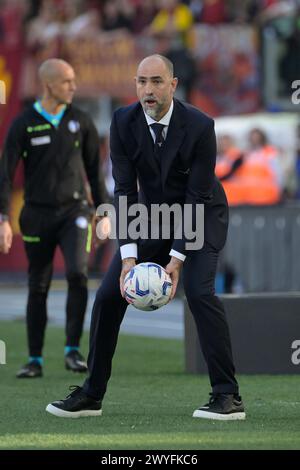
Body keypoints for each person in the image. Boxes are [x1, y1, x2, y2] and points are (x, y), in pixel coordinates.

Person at [46, 54, 246, 420]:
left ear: (173, 85)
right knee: (108, 295)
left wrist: (176, 259)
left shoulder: (201, 126)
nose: (148, 90)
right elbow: (124, 191)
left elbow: (197, 197)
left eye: (156, 81)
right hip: (150, 216)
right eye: (141, 81)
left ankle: (227, 396)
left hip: (200, 213)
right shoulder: (123, 121)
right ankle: (92, 394)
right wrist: (127, 257)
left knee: (200, 294)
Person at [0, 58, 108, 378]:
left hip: (75, 212)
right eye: (67, 81)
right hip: (36, 215)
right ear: (49, 85)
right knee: (39, 285)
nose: (74, 87)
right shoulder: (24, 124)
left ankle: (72, 351)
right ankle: (35, 359)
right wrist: (3, 218)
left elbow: (95, 172)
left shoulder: (81, 121)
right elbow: (5, 174)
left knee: (77, 273)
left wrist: (104, 212)